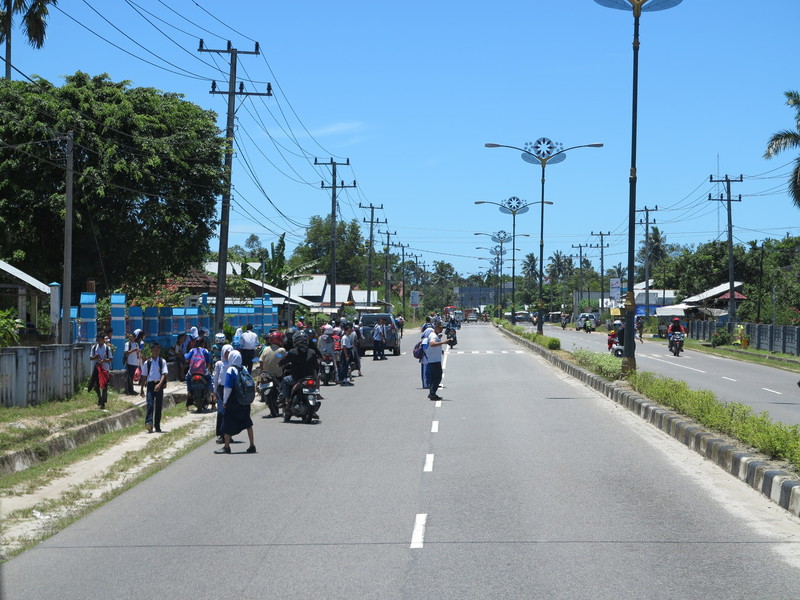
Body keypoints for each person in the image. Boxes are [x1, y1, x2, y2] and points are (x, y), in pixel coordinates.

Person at [215, 350, 256, 454]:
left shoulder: (231, 370)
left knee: (227, 422)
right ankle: (252, 445)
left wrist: (224, 401)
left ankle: (226, 447)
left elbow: (227, 388)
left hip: (234, 400)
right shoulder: (244, 368)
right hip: (244, 400)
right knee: (248, 423)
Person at [279, 331, 320, 409]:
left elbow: (283, 361)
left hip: (296, 379)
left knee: (285, 380)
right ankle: (315, 400)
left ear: (295, 341)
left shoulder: (292, 351)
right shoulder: (312, 352)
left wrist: (280, 364)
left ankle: (286, 400)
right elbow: (316, 365)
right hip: (310, 378)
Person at [139, 343, 167, 433]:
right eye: (154, 350)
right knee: (150, 404)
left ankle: (157, 425)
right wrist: (141, 389)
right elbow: (144, 376)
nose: (156, 352)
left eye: (158, 350)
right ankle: (149, 423)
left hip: (159, 384)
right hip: (150, 385)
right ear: (151, 351)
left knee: (158, 405)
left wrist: (159, 385)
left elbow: (164, 374)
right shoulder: (147, 363)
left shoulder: (162, 361)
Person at [423, 322, 451, 401]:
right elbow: (432, 344)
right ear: (436, 328)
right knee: (438, 377)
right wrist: (443, 342)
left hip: (434, 359)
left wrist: (440, 350)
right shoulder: (433, 336)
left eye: (442, 328)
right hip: (434, 360)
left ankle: (431, 393)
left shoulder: (435, 335)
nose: (441, 330)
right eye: (440, 328)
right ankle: (432, 394)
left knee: (433, 377)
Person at [212, 344, 232, 443]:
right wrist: (214, 392)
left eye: (229, 353)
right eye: (226, 353)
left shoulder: (234, 364)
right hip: (221, 389)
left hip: (231, 389)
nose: (227, 355)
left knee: (230, 412)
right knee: (221, 412)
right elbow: (215, 378)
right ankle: (221, 434)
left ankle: (229, 435)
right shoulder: (219, 364)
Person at [88, 334, 113, 409]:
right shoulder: (94, 347)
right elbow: (91, 358)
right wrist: (95, 357)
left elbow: (110, 359)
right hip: (97, 368)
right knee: (96, 385)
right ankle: (100, 397)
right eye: (98, 339)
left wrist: (104, 360)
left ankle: (103, 403)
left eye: (100, 339)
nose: (99, 341)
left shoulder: (107, 348)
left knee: (104, 385)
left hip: (105, 369)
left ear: (103, 340)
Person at [123, 330, 142, 395]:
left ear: (134, 338)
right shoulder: (127, 344)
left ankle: (130, 390)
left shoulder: (136, 344)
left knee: (132, 377)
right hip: (129, 362)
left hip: (135, 362)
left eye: (132, 337)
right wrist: (134, 350)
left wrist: (139, 359)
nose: (130, 338)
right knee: (130, 377)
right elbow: (126, 352)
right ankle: (130, 390)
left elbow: (137, 354)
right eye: (130, 337)